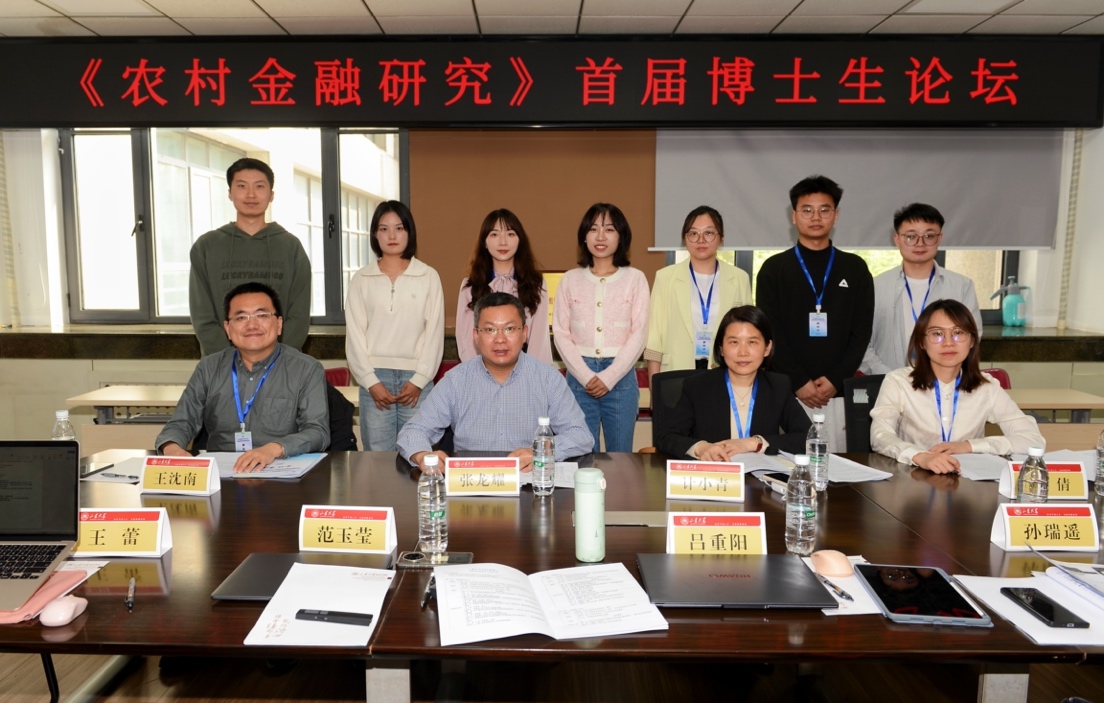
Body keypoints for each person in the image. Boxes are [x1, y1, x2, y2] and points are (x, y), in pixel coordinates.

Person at [397, 292, 593, 471]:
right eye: (490, 329)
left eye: (509, 329)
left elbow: (580, 435)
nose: (500, 339)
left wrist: (541, 453)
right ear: (476, 335)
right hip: (471, 483)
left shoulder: (548, 379)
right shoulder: (456, 381)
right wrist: (422, 455)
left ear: (524, 333)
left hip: (529, 483)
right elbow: (414, 430)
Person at [156, 281, 329, 472]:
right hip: (220, 474)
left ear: (279, 324)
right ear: (228, 329)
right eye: (241, 317)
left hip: (281, 469)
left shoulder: (306, 369)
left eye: (262, 315)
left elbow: (317, 432)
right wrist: (172, 448)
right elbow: (181, 422)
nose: (252, 325)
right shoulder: (209, 368)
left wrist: (274, 449)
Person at [755, 175, 873, 450]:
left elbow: (861, 332)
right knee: (787, 464)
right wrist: (798, 381)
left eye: (824, 210)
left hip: (839, 392)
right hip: (788, 392)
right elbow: (770, 332)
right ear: (794, 216)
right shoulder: (774, 269)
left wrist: (835, 379)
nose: (816, 217)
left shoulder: (855, 268)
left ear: (836, 215)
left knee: (840, 465)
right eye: (807, 210)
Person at [870, 299, 1044, 475]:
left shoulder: (987, 387)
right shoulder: (898, 382)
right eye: (937, 333)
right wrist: (920, 456)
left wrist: (969, 446)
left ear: (972, 340)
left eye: (958, 332)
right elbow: (880, 436)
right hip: (912, 476)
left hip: (968, 480)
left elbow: (1033, 440)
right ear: (922, 342)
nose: (948, 342)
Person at [346, 201, 444, 452]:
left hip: (417, 381)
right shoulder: (361, 279)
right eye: (384, 229)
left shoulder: (428, 276)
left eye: (399, 228)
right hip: (374, 380)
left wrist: (420, 379)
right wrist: (370, 381)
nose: (392, 235)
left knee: (419, 454)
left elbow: (434, 333)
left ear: (409, 232)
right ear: (374, 234)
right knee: (377, 459)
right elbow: (355, 335)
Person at [189, 157, 312, 357]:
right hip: (221, 365)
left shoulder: (291, 246)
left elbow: (299, 316)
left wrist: (274, 359)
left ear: (271, 195)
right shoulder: (207, 246)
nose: (251, 194)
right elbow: (202, 316)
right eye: (242, 186)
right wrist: (233, 361)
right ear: (230, 193)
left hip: (281, 364)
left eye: (259, 186)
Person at [553, 204, 649, 453]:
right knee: (582, 453)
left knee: (621, 456)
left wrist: (609, 377)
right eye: (593, 229)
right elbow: (560, 333)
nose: (601, 236)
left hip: (621, 376)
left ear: (621, 236)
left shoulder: (635, 278)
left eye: (609, 229)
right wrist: (586, 376)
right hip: (579, 376)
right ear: (584, 236)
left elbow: (639, 333)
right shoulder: (570, 279)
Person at [658, 306, 811, 459]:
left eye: (752, 342)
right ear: (721, 348)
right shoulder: (697, 387)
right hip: (714, 472)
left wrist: (753, 443)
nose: (743, 352)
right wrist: (702, 448)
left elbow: (808, 438)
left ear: (767, 348)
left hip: (759, 473)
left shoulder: (778, 386)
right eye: (734, 342)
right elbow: (667, 437)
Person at [862, 203, 982, 375]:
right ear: (897, 239)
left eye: (929, 236)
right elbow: (861, 343)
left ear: (939, 238)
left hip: (944, 381)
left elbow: (971, 337)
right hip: (886, 381)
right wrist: (890, 377)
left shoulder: (961, 286)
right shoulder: (875, 287)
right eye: (911, 236)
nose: (920, 244)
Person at [644, 205, 752, 382]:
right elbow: (654, 337)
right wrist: (655, 385)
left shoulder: (739, 278)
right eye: (693, 233)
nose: (701, 240)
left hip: (725, 372)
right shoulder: (665, 277)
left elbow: (747, 333)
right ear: (685, 238)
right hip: (676, 372)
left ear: (721, 238)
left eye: (708, 233)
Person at [456, 208, 552, 364]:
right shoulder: (470, 286)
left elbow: (539, 341)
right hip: (482, 369)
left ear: (520, 240)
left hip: (524, 369)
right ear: (484, 242)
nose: (503, 242)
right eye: (494, 234)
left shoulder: (536, 284)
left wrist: (532, 374)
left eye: (510, 234)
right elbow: (466, 339)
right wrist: (480, 372)